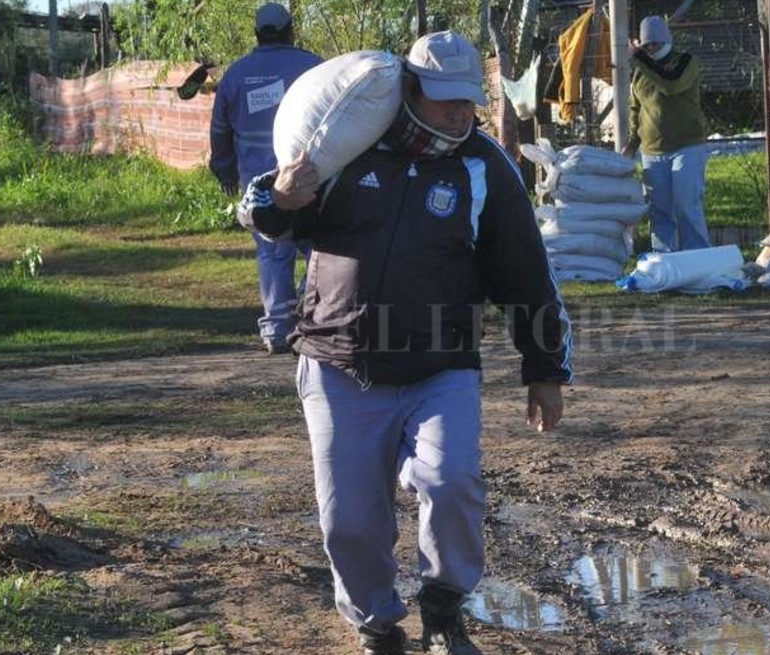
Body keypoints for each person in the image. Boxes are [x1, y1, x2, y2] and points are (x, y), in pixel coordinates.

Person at [238, 31, 573, 655]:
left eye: (467, 101)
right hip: (337, 361)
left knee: (451, 483)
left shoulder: (482, 167)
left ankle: (443, 609)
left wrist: (544, 368)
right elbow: (271, 214)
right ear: (410, 90)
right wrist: (278, 200)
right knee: (349, 518)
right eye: (445, 100)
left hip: (440, 366)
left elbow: (525, 270)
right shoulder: (347, 143)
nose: (458, 114)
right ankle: (375, 625)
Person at [209, 3, 322, 354]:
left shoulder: (236, 74)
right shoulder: (313, 67)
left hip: (259, 184)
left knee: (273, 253)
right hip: (309, 176)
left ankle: (277, 329)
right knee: (320, 247)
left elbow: (219, 129)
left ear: (257, 34)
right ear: (290, 31)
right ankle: (312, 314)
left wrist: (224, 168)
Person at [623, 15, 711, 253]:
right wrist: (632, 142)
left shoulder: (685, 62)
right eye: (647, 45)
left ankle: (696, 255)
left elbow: (671, 84)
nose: (651, 48)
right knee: (659, 209)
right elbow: (636, 109)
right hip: (652, 151)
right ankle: (664, 257)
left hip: (687, 146)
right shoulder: (640, 72)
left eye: (656, 43)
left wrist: (639, 57)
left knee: (686, 205)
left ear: (666, 40)